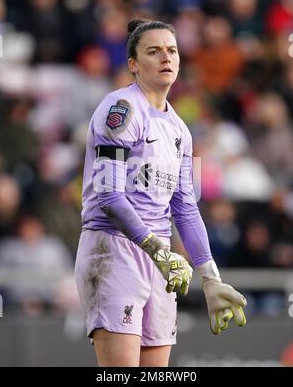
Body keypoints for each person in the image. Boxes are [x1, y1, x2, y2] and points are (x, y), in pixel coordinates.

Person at [75, 18, 247, 367]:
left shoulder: (181, 130)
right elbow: (109, 197)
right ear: (133, 65)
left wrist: (210, 278)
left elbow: (186, 207)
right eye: (153, 52)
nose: (165, 57)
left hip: (162, 261)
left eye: (171, 50)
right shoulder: (119, 110)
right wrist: (154, 248)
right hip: (114, 249)